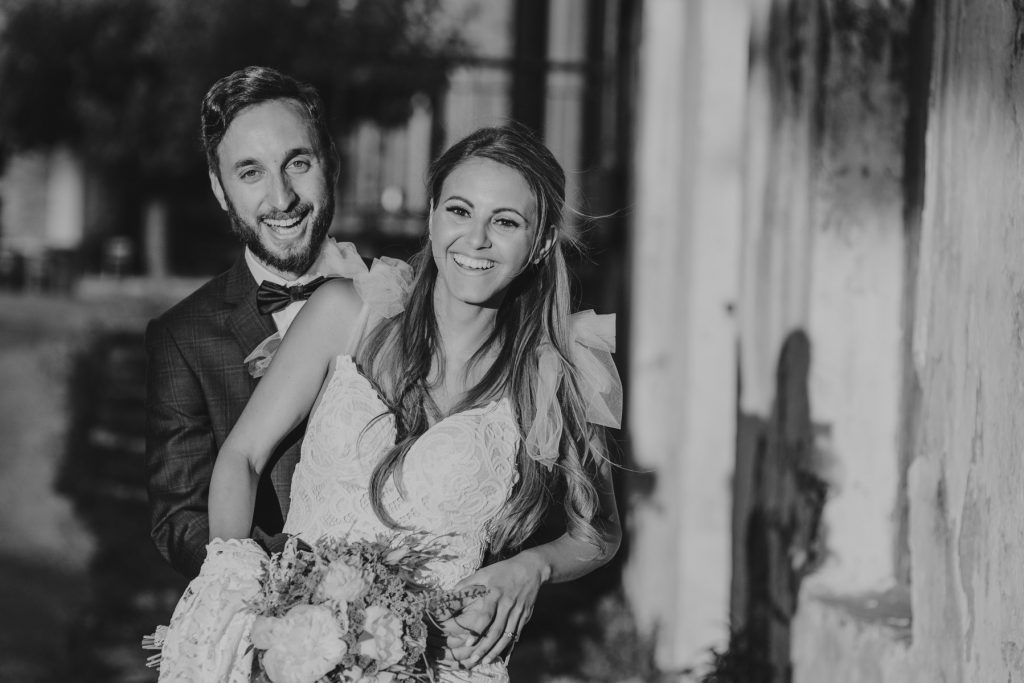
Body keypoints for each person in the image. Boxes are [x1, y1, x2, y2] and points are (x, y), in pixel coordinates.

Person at [156, 124, 622, 681]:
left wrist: (532, 567)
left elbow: (599, 531)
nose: (475, 239)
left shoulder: (552, 374)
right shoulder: (345, 313)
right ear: (432, 217)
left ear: (541, 242)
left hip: (439, 664)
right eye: (459, 211)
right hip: (292, 651)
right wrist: (241, 595)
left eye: (505, 222)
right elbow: (243, 457)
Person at [145, 66, 360, 578]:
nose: (282, 199)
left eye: (298, 163)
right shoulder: (182, 337)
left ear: (331, 163)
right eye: (250, 173)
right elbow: (180, 519)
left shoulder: (399, 299)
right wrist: (287, 585)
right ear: (220, 189)